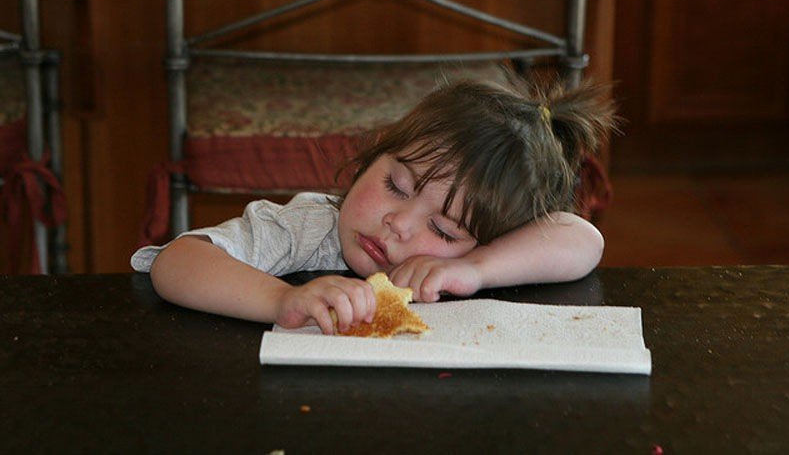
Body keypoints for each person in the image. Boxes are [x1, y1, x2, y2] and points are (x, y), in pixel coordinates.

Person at [131, 75, 618, 335]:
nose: (398, 224)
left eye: (444, 230)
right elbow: (176, 262)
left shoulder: (480, 256)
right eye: (396, 186)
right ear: (370, 158)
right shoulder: (310, 227)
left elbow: (582, 239)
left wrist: (475, 268)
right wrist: (281, 300)